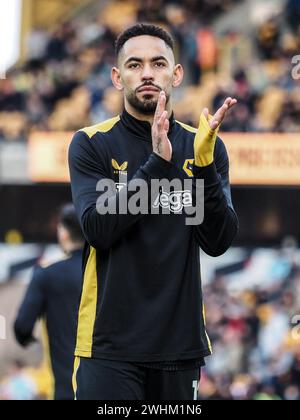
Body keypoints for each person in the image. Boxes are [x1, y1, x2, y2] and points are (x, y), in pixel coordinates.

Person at [69, 23, 238, 400]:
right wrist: (158, 165)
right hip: (108, 350)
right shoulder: (91, 144)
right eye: (134, 64)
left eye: (158, 63)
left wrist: (206, 166)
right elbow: (97, 228)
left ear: (176, 74)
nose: (147, 73)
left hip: (179, 347)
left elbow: (218, 241)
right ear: (117, 77)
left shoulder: (203, 145)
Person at [14, 204, 84, 400]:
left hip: (65, 387)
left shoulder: (47, 274)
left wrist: (28, 339)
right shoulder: (107, 272)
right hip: (108, 387)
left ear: (63, 233)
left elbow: (22, 326)